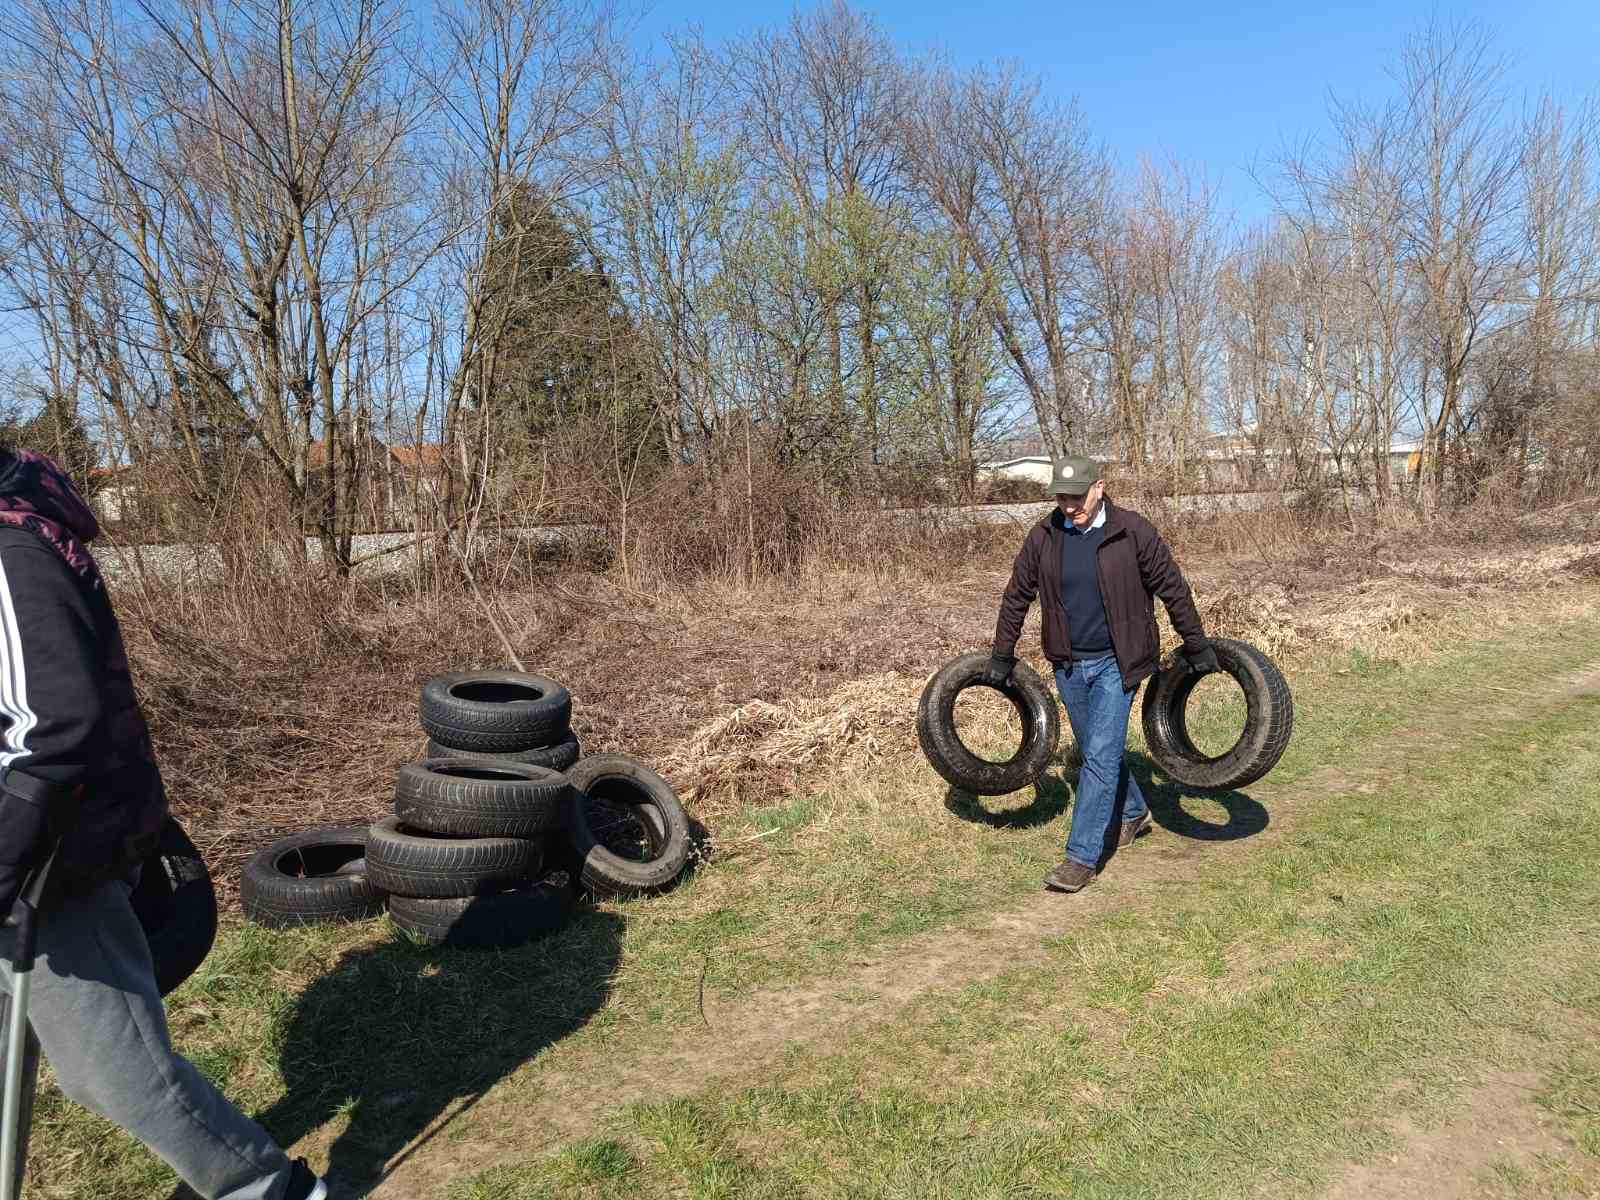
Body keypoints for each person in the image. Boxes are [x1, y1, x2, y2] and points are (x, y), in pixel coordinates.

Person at [0, 446, 326, 1200]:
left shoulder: (11, 551)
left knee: (115, 1071)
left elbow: (52, 731)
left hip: (45, 868)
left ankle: (267, 1189)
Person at [985, 455, 1217, 894]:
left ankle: (1081, 857)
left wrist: (1196, 644)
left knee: (1098, 757)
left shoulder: (1132, 531)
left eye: (1076, 496)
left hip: (1118, 662)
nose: (1069, 505)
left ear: (1099, 487)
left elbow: (1172, 588)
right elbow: (1017, 595)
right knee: (1098, 750)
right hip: (1069, 663)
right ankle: (1133, 812)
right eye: (1061, 497)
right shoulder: (1044, 536)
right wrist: (1001, 654)